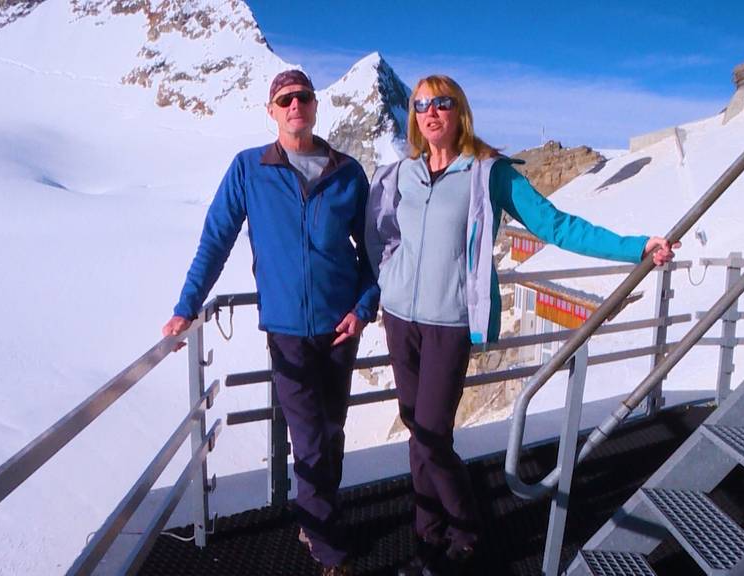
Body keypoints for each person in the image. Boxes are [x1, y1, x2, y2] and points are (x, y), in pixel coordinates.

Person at [366, 75, 677, 576]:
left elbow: (554, 225)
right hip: (400, 319)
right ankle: (428, 541)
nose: (430, 112)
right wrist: (386, 280)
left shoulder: (489, 173)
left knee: (430, 437)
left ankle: (465, 531)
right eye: (421, 104)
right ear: (414, 117)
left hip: (449, 322)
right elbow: (377, 231)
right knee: (417, 432)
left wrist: (635, 246)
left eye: (441, 103)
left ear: (458, 110)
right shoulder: (400, 174)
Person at [163, 69, 377, 576]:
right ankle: (330, 553)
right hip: (285, 330)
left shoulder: (347, 173)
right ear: (272, 110)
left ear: (315, 105)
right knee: (308, 438)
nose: (294, 105)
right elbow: (216, 239)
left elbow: (372, 254)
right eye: (284, 99)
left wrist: (363, 308)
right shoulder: (249, 169)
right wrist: (187, 305)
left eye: (301, 96)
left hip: (339, 327)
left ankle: (314, 517)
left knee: (332, 429)